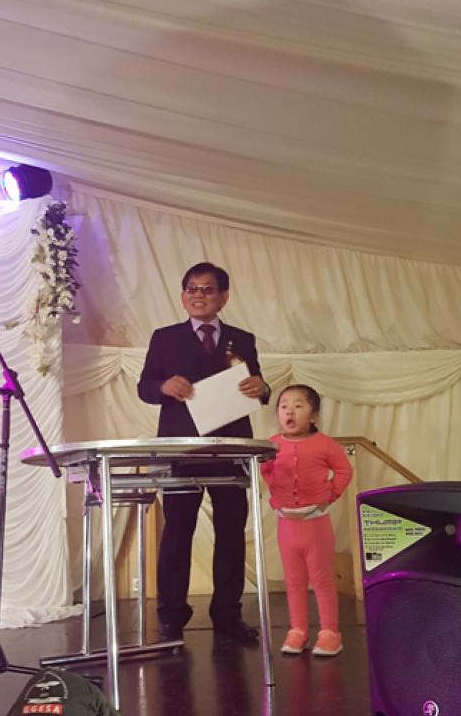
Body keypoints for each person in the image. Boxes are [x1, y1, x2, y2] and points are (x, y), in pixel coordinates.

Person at [138, 262, 269, 643]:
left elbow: (257, 387)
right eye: (192, 289)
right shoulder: (165, 338)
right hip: (183, 448)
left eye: (207, 289)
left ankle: (227, 615)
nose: (199, 295)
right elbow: (144, 387)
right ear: (183, 296)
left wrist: (262, 388)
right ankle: (171, 617)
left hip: (231, 447)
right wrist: (163, 386)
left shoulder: (242, 339)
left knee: (231, 532)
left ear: (223, 297)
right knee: (177, 532)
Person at [260, 385, 353, 656]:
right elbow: (266, 470)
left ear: (314, 415)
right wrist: (277, 494)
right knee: (293, 581)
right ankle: (298, 630)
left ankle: (330, 633)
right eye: (284, 406)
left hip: (316, 524)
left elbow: (344, 471)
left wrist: (330, 495)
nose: (289, 411)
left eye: (298, 405)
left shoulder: (325, 444)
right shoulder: (271, 445)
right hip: (286, 525)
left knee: (322, 580)